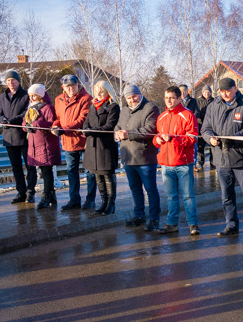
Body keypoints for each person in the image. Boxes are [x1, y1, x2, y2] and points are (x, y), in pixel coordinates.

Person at [201, 77, 243, 238]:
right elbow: (205, 128)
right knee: (226, 195)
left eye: (228, 90)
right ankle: (231, 224)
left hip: (241, 158)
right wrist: (210, 138)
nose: (225, 94)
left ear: (235, 89)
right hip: (221, 158)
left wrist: (231, 137)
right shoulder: (213, 106)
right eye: (222, 91)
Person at [154, 86, 200, 236]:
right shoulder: (161, 117)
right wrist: (158, 139)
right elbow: (155, 138)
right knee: (171, 196)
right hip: (166, 164)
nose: (168, 100)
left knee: (188, 196)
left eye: (172, 97)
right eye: (166, 97)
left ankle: (193, 224)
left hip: (183, 163)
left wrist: (174, 139)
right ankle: (172, 223)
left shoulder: (188, 115)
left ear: (179, 98)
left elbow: (192, 138)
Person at [115, 83, 161, 231]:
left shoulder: (150, 108)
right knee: (135, 189)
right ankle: (139, 215)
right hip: (128, 156)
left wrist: (128, 134)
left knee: (150, 189)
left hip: (145, 157)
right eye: (128, 98)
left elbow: (150, 129)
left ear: (139, 94)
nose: (131, 100)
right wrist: (116, 133)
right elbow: (117, 126)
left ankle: (154, 218)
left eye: (133, 96)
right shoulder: (124, 111)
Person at [51, 74, 96, 211]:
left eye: (73, 86)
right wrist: (55, 126)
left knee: (89, 171)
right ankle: (74, 199)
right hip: (68, 141)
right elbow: (58, 117)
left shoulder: (86, 98)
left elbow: (83, 119)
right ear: (63, 87)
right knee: (71, 171)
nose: (71, 89)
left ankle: (90, 200)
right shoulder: (59, 99)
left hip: (84, 139)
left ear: (78, 85)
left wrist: (65, 129)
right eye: (68, 86)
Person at [0, 69, 37, 203]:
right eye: (8, 80)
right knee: (16, 167)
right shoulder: (3, 96)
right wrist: (2, 120)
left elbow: (27, 113)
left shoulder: (26, 95)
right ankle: (21, 191)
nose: (10, 83)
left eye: (13, 80)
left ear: (18, 81)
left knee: (30, 165)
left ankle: (30, 191)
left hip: (23, 136)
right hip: (8, 137)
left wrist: (12, 120)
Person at [83, 80, 120, 215]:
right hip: (92, 146)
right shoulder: (93, 106)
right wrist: (86, 130)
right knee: (97, 176)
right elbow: (86, 123)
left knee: (107, 176)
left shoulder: (113, 106)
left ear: (107, 92)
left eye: (102, 90)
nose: (98, 93)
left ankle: (111, 203)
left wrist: (92, 131)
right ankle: (103, 201)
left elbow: (110, 126)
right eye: (96, 90)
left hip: (105, 146)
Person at [23, 84, 61, 210]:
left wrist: (36, 123)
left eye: (33, 95)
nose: (31, 98)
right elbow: (24, 123)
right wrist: (26, 126)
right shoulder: (30, 108)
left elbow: (51, 123)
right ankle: (52, 196)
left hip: (46, 143)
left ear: (40, 95)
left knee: (46, 170)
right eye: (30, 96)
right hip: (34, 143)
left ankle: (45, 196)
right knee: (43, 170)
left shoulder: (47, 107)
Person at [195, 85, 214, 172]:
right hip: (201, 125)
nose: (207, 93)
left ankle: (212, 163)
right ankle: (200, 162)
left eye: (208, 92)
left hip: (212, 126)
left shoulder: (214, 101)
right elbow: (197, 112)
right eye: (205, 92)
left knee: (212, 145)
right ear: (202, 93)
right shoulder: (198, 101)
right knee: (200, 146)